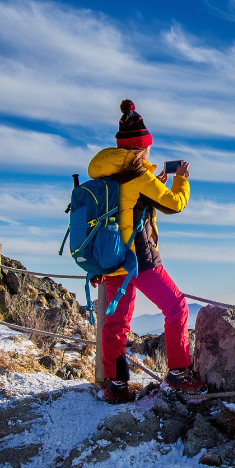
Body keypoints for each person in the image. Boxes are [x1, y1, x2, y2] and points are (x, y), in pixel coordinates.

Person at [87, 99, 206, 403]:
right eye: (147, 147)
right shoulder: (140, 175)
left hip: (111, 255)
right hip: (139, 258)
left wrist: (156, 184)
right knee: (177, 307)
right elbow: (175, 204)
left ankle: (114, 385)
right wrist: (181, 179)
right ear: (141, 148)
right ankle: (178, 373)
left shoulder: (107, 173)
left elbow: (128, 204)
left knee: (116, 323)